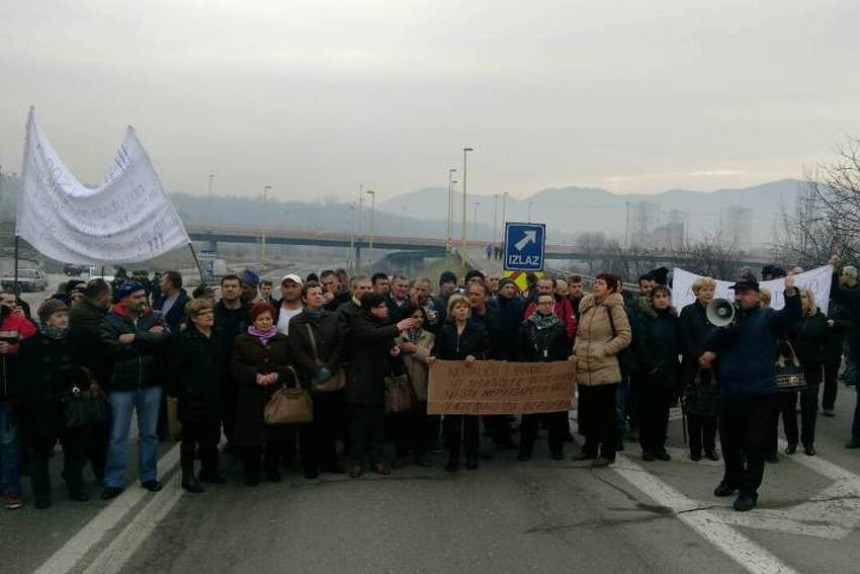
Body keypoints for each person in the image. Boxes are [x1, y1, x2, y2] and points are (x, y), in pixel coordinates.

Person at [701, 275, 800, 512]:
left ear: (756, 295)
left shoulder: (768, 317)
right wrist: (725, 327)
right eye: (737, 293)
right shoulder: (729, 319)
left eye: (745, 293)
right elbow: (710, 342)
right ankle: (731, 480)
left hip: (760, 393)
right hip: (730, 390)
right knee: (729, 442)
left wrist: (791, 293)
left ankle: (748, 491)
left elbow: (792, 318)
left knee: (754, 444)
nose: (740, 297)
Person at [16, 300, 92, 508]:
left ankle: (76, 486)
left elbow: (86, 369)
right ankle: (42, 493)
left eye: (65, 315)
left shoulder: (75, 341)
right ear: (47, 319)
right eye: (59, 316)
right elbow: (25, 378)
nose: (64, 320)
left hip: (70, 403)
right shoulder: (31, 344)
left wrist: (76, 377)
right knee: (40, 451)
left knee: (74, 448)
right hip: (43, 406)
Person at [99, 282, 170, 499]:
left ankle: (149, 476)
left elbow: (166, 339)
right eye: (137, 297)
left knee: (149, 434)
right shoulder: (110, 320)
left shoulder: (155, 316)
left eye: (143, 296)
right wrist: (148, 338)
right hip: (121, 385)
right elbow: (111, 349)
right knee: (118, 435)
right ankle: (113, 480)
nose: (142, 300)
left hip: (151, 383)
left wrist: (135, 337)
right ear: (124, 299)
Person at [345, 293, 415, 478]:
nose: (386, 309)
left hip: (379, 382)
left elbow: (385, 342)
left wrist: (393, 350)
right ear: (373, 308)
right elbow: (372, 335)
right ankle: (356, 462)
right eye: (383, 306)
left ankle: (379, 461)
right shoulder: (358, 322)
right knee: (358, 427)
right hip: (360, 383)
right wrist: (398, 327)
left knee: (378, 427)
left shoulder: (383, 323)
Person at [572, 273, 632, 468]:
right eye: (596, 282)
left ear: (611, 288)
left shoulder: (614, 307)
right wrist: (576, 349)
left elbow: (625, 336)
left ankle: (608, 452)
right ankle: (589, 448)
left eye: (601, 283)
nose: (596, 286)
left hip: (604, 368)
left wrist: (604, 350)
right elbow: (580, 334)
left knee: (606, 414)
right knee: (588, 412)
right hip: (584, 367)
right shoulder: (587, 306)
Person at [287, 282, 346, 477]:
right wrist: (315, 369)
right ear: (304, 298)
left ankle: (329, 461)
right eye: (313, 294)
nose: (318, 296)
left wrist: (329, 368)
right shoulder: (297, 322)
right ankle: (310, 464)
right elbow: (296, 350)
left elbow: (339, 345)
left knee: (330, 423)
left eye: (320, 293)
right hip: (309, 380)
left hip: (331, 377)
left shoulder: (333, 318)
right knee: (309, 424)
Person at [168, 299, 226, 493]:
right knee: (190, 439)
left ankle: (209, 470)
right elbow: (175, 369)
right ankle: (188, 476)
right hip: (193, 396)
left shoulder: (217, 335)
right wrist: (179, 393)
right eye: (204, 313)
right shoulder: (185, 339)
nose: (210, 316)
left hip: (215, 394)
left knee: (212, 437)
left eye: (211, 312)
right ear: (193, 318)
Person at [231, 303, 293, 486]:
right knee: (252, 437)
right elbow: (236, 366)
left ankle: (273, 469)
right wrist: (256, 376)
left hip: (275, 394)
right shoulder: (241, 340)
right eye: (261, 319)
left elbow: (290, 364)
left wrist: (277, 375)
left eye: (268, 318)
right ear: (254, 321)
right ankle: (252, 472)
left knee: (275, 434)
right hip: (250, 394)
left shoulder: (282, 339)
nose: (265, 322)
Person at [427, 294, 489, 472]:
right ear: (452, 311)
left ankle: (471, 456)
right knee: (452, 422)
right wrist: (435, 358)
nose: (462, 310)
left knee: (471, 422)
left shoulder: (478, 329)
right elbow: (438, 350)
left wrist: (475, 356)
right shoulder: (445, 330)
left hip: (471, 381)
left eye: (465, 307)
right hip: (451, 382)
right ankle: (453, 457)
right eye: (458, 307)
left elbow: (486, 349)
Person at [67, 279, 113, 485]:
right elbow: (101, 343)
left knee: (96, 429)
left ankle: (95, 470)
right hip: (87, 381)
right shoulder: (85, 318)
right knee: (90, 430)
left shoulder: (88, 313)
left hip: (92, 377)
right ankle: (85, 473)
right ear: (103, 296)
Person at [517, 293, 571, 461]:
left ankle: (557, 448)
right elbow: (520, 350)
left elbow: (565, 350)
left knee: (556, 416)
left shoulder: (559, 326)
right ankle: (525, 449)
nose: (547, 306)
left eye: (550, 303)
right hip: (532, 376)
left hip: (554, 377)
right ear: (536, 305)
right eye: (544, 303)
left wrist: (568, 358)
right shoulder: (527, 326)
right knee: (530, 416)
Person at [778, 288, 827, 457]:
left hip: (811, 369)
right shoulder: (790, 317)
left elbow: (826, 342)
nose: (801, 300)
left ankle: (808, 442)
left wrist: (820, 357)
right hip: (792, 368)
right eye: (799, 297)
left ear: (810, 299)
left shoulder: (820, 318)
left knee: (809, 407)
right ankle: (792, 441)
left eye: (804, 297)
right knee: (789, 406)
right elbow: (782, 338)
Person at [634, 285, 680, 462]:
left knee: (663, 412)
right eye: (658, 296)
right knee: (647, 412)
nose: (661, 299)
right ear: (652, 300)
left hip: (669, 372)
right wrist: (650, 365)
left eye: (665, 296)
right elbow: (641, 343)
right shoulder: (644, 318)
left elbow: (677, 344)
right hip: (649, 372)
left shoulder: (673, 319)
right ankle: (648, 447)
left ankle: (660, 446)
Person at [0, 291, 37, 510]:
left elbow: (38, 349)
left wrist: (13, 349)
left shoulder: (17, 322)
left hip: (7, 395)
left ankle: (11, 490)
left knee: (8, 445)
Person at [678, 277, 719, 462]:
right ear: (697, 292)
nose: (709, 293)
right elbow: (684, 338)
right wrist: (699, 356)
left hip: (715, 367)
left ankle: (710, 447)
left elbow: (724, 335)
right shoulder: (688, 312)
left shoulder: (719, 311)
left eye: (711, 290)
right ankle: (695, 448)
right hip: (693, 366)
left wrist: (713, 354)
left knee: (712, 410)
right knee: (694, 408)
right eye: (705, 290)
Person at [214, 274, 250, 447]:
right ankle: (231, 442)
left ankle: (245, 444)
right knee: (225, 412)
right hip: (220, 371)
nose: (229, 289)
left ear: (240, 289)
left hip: (245, 371)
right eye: (226, 286)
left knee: (245, 411)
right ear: (221, 289)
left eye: (233, 286)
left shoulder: (249, 313)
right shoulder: (213, 313)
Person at [396, 305, 435, 466]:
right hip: (402, 383)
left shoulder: (429, 336)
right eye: (414, 316)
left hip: (421, 382)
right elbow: (394, 350)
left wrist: (412, 348)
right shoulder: (397, 334)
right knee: (401, 423)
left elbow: (429, 355)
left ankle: (420, 454)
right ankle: (401, 454)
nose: (418, 320)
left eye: (421, 317)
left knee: (420, 422)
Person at [822, 298, 852, 417]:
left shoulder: (842, 302)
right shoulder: (818, 297)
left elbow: (850, 323)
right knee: (810, 375)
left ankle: (828, 405)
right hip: (816, 344)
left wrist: (835, 323)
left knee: (831, 377)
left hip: (833, 345)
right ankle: (808, 402)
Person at [523, 277, 577, 341]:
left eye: (547, 288)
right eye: (541, 288)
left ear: (554, 289)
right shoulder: (532, 304)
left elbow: (571, 323)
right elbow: (527, 322)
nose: (544, 290)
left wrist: (563, 338)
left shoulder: (564, 303)